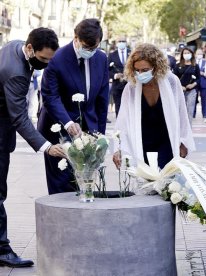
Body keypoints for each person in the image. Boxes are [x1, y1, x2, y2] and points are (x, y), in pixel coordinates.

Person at [0, 27, 65, 268]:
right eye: (43, 59)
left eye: (51, 59)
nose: (46, 65)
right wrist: (46, 146)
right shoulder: (16, 72)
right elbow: (19, 117)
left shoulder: (15, 45)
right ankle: (2, 250)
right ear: (30, 49)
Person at [38, 18, 109, 194]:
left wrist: (100, 136)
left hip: (88, 130)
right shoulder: (57, 59)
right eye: (86, 47)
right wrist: (68, 123)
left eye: (94, 48)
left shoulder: (101, 58)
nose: (90, 51)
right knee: (63, 184)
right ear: (76, 38)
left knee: (87, 183)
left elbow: (102, 99)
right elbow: (50, 96)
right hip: (59, 129)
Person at [112, 43, 195, 169]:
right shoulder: (132, 87)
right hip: (142, 141)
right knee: (145, 182)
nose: (140, 74)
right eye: (137, 70)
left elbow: (181, 112)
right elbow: (122, 119)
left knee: (167, 181)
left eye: (145, 70)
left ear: (156, 67)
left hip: (166, 139)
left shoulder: (171, 81)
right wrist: (118, 147)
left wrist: (183, 141)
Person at [173, 47, 200, 126]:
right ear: (182, 55)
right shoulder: (177, 66)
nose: (186, 55)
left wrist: (193, 84)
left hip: (192, 91)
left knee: (189, 110)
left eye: (188, 53)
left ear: (191, 54)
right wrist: (180, 86)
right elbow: (174, 78)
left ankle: (188, 130)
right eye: (185, 53)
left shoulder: (195, 66)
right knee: (179, 110)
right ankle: (179, 129)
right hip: (180, 91)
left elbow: (198, 79)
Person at [108, 36, 130, 117]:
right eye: (119, 41)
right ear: (117, 43)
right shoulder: (112, 55)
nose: (121, 43)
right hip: (117, 86)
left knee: (129, 107)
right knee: (118, 107)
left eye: (123, 41)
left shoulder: (131, 53)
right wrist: (115, 75)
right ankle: (119, 127)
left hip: (129, 85)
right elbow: (107, 70)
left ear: (126, 42)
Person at [194, 49, 206, 119]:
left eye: (201, 54)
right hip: (195, 83)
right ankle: (193, 113)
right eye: (198, 54)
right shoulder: (193, 62)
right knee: (194, 99)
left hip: (203, 83)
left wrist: (203, 73)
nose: (199, 55)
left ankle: (204, 114)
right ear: (195, 54)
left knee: (204, 99)